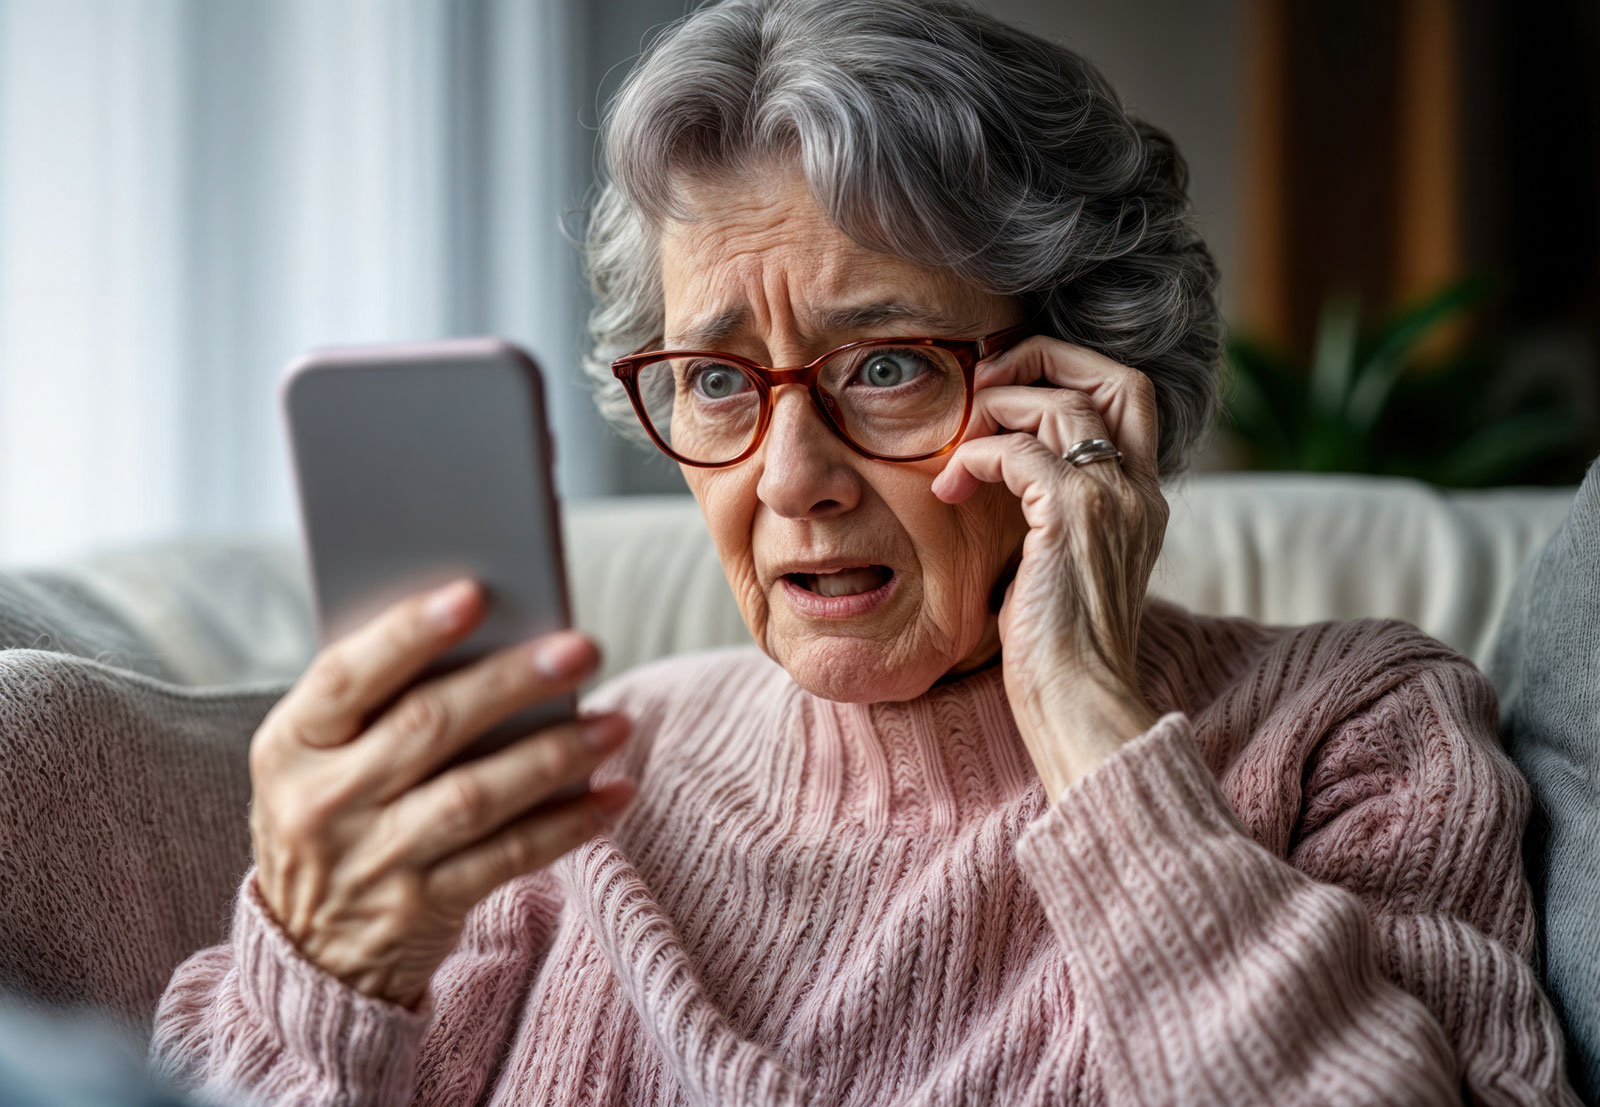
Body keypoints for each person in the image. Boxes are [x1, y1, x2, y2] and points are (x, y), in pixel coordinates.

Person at [148, 0, 1581, 1102]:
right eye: (717, 380)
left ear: (1083, 384)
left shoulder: (1356, 726)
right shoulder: (577, 785)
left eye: (883, 363)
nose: (791, 477)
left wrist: (1088, 725)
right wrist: (327, 965)